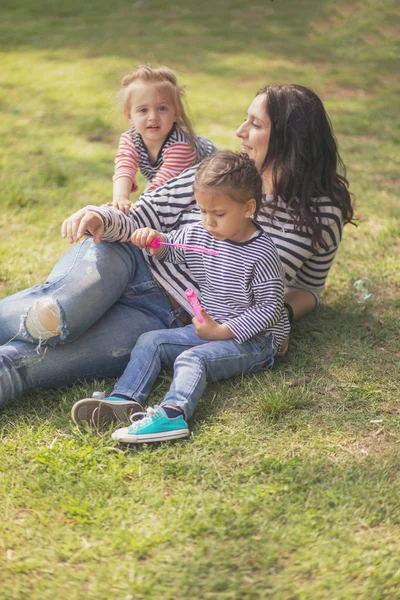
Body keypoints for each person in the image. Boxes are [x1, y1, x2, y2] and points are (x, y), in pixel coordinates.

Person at [0, 84, 353, 416]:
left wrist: (280, 316)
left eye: (255, 124)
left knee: (24, 364)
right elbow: (143, 213)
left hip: (168, 319)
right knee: (58, 317)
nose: (240, 131)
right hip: (130, 261)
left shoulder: (323, 210)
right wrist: (100, 216)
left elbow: (308, 287)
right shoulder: (219, 172)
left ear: (290, 139)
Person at [72, 151, 290, 441]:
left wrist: (223, 331)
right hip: (212, 328)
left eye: (219, 214)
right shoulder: (202, 233)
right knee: (151, 341)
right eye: (202, 211)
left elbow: (269, 309)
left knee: (192, 359)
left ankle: (172, 415)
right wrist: (154, 241)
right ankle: (123, 399)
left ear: (249, 207)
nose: (209, 222)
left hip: (255, 341)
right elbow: (173, 247)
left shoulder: (262, 254)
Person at [111, 64, 217, 213]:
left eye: (162, 108)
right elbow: (124, 167)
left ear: (175, 113)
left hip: (211, 184)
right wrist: (120, 198)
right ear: (129, 115)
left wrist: (137, 212)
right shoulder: (130, 139)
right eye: (143, 110)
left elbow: (162, 188)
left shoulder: (180, 145)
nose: (153, 117)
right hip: (173, 184)